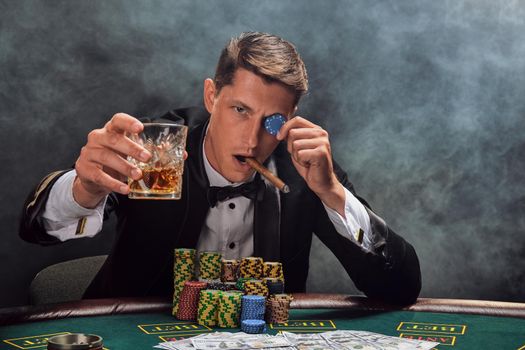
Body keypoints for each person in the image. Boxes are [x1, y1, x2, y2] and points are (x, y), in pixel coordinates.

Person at [20, 32, 421, 305]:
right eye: (240, 110)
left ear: (291, 118)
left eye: (270, 122)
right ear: (212, 96)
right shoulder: (160, 149)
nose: (251, 141)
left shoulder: (304, 171)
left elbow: (400, 288)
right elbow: (35, 229)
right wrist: (84, 190)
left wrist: (332, 194)